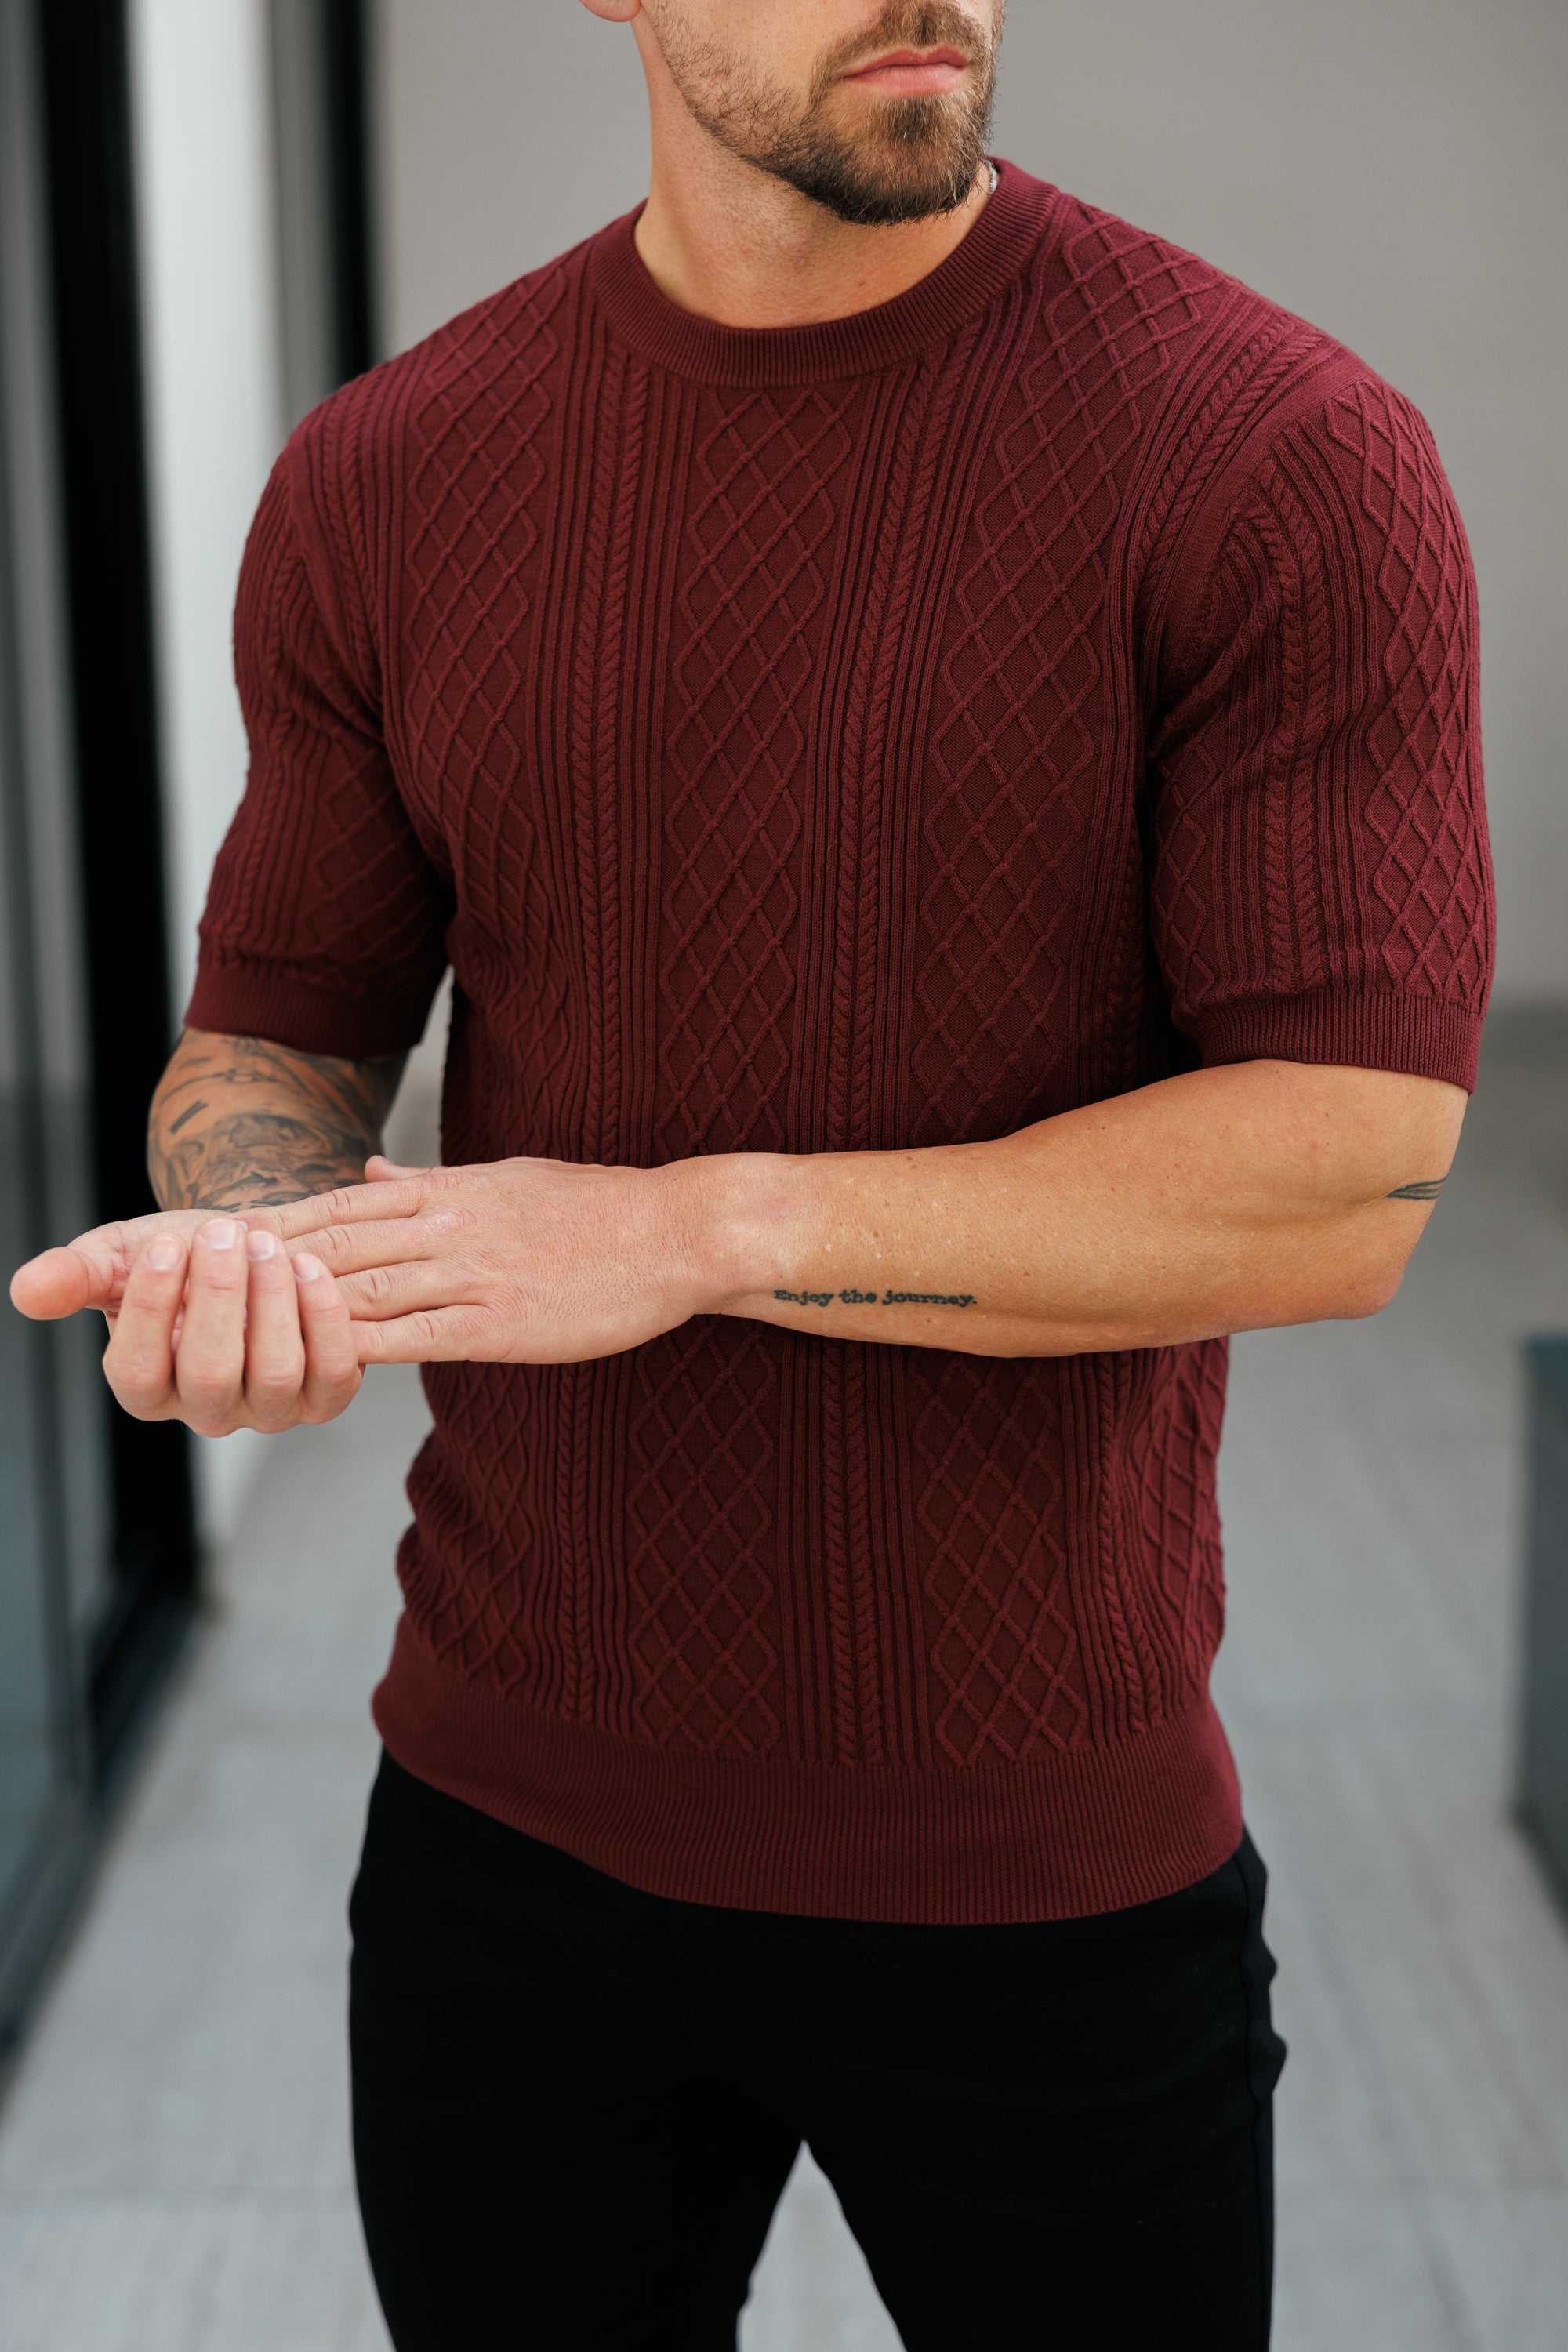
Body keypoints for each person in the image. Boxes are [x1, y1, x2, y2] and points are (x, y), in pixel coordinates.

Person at [10, 2, 1492, 2344]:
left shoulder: (1282, 456)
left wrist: (690, 1228)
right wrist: (274, 1250)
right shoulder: (391, 474)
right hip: (506, 1845)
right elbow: (280, 1029)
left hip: (1048, 1873)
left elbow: (1348, 1181)